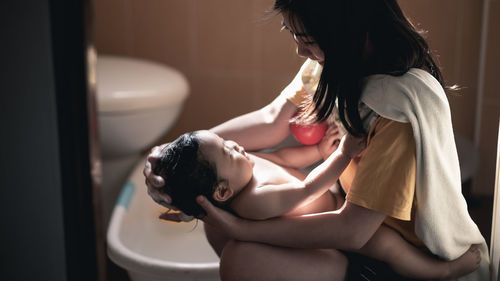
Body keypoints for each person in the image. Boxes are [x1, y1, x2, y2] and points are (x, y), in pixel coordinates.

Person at [144, 0, 489, 280]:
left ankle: (440, 274)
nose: (299, 51)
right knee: (219, 229)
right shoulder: (338, 63)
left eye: (307, 39)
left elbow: (352, 231)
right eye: (295, 35)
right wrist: (177, 157)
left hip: (384, 245)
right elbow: (271, 120)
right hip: (344, 217)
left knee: (240, 258)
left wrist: (243, 229)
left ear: (346, 32)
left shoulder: (395, 110)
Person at [149, 129, 480, 280]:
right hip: (334, 229)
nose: (235, 145)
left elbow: (286, 156)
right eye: (226, 151)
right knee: (389, 247)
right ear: (221, 191)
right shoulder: (254, 201)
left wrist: (319, 151)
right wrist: (342, 154)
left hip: (338, 214)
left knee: (388, 241)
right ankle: (444, 272)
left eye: (224, 141)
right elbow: (307, 187)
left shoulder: (247, 166)